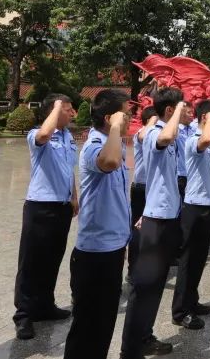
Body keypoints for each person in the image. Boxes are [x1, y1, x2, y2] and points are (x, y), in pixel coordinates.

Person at [63, 89, 132, 359]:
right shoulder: (95, 145)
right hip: (94, 254)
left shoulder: (112, 142)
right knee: (86, 325)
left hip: (111, 248)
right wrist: (115, 128)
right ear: (109, 117)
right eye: (125, 114)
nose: (129, 118)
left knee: (103, 323)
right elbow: (110, 161)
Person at [120, 88, 185, 359]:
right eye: (182, 109)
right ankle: (130, 349)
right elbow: (166, 135)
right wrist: (179, 108)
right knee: (143, 285)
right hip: (156, 220)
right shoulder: (152, 133)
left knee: (156, 285)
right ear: (170, 111)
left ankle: (144, 337)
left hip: (167, 217)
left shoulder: (170, 135)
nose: (186, 114)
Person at [13, 94, 78, 340]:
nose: (72, 114)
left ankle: (45, 305)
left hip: (61, 206)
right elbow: (43, 135)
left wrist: (74, 196)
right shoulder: (36, 134)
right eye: (67, 109)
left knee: (52, 258)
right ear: (53, 110)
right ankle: (24, 315)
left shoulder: (68, 137)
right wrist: (56, 108)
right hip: (40, 207)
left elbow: (69, 168)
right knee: (31, 262)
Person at [171, 100, 210, 329]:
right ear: (205, 118)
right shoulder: (194, 141)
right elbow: (206, 138)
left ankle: (192, 301)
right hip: (195, 208)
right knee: (189, 261)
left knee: (199, 260)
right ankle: (181, 311)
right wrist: (209, 121)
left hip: (208, 207)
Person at [128, 106, 158, 279]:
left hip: (153, 187)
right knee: (138, 229)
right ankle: (133, 269)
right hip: (141, 187)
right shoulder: (142, 132)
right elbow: (143, 136)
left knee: (152, 228)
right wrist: (154, 120)